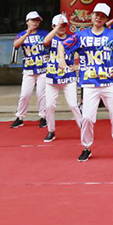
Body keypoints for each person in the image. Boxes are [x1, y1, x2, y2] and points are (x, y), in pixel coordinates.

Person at [57, 3, 113, 162]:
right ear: (91, 16)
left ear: (106, 19)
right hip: (89, 83)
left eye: (102, 16)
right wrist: (62, 61)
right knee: (87, 117)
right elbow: (62, 45)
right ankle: (86, 147)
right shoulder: (81, 35)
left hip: (110, 82)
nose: (99, 18)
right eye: (96, 14)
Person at [42, 14, 83, 142]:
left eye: (64, 25)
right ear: (53, 26)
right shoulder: (51, 38)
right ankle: (51, 130)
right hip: (52, 77)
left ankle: (84, 128)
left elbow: (83, 52)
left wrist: (78, 66)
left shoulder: (72, 38)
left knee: (73, 105)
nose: (61, 27)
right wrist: (56, 28)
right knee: (49, 106)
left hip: (68, 77)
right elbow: (45, 42)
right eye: (58, 25)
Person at [10, 11, 49, 129]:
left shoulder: (44, 33)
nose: (35, 23)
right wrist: (27, 33)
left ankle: (44, 116)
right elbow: (16, 45)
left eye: (37, 21)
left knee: (41, 94)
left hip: (43, 69)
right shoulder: (21, 34)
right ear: (27, 22)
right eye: (33, 20)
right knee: (24, 94)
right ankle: (20, 117)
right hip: (28, 69)